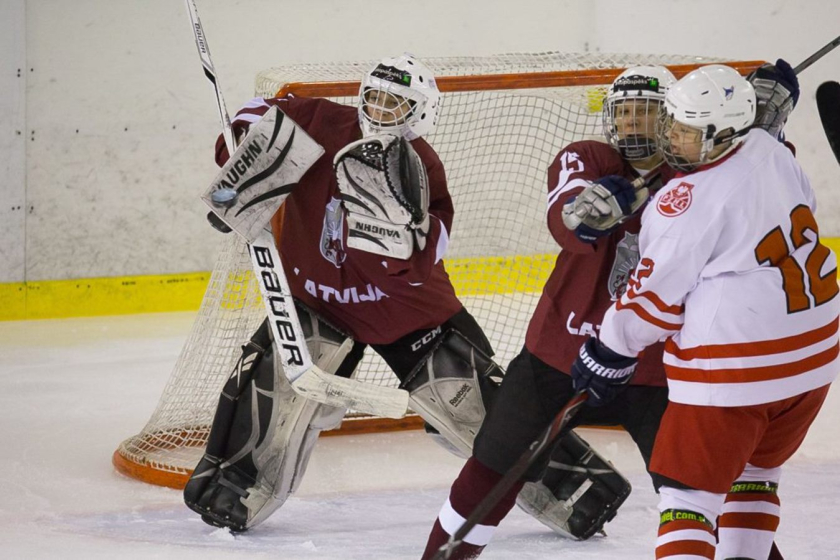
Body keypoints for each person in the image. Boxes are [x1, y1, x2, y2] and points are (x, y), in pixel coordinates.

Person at [182, 53, 615, 536]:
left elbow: (412, 271)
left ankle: (578, 489)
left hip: (407, 313)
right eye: (375, 97)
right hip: (317, 301)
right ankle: (233, 487)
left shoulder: (420, 167)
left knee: (481, 410)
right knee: (271, 392)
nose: (382, 110)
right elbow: (249, 119)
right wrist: (242, 156)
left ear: (420, 112)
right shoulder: (318, 120)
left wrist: (392, 228)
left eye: (397, 103)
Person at [420, 61, 800, 560]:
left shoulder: (710, 172)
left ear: (676, 119)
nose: (630, 126)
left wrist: (763, 124)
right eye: (622, 115)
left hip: (660, 371)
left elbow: (764, 174)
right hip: (558, 357)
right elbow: (568, 215)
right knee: (493, 466)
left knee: (701, 494)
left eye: (645, 113)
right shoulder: (589, 157)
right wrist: (591, 209)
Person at [570, 64, 837, 560]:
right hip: (812, 363)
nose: (670, 134)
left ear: (723, 134)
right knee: (755, 474)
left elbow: (651, 305)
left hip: (735, 371)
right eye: (672, 121)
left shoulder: (682, 203)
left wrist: (607, 351)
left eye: (686, 130)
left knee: (686, 499)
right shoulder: (770, 149)